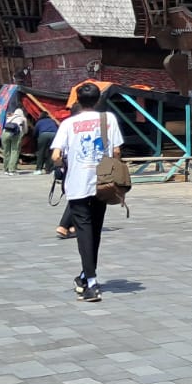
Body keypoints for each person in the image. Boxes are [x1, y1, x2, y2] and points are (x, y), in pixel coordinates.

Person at [51, 82, 124, 303]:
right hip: (102, 182)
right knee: (95, 230)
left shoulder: (68, 124)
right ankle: (85, 275)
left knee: (84, 231)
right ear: (98, 100)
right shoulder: (108, 119)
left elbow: (56, 156)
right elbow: (117, 150)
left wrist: (65, 163)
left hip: (77, 183)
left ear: (78, 100)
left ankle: (91, 282)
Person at [2, 104, 28, 174]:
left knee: (6, 152)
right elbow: (25, 130)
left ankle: (6, 169)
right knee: (14, 151)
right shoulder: (23, 118)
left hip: (5, 133)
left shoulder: (9, 117)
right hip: (16, 135)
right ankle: (11, 170)